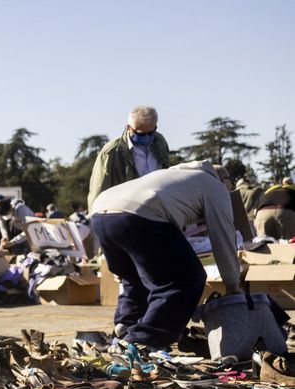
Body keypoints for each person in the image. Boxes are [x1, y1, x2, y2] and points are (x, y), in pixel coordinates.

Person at [90, 162, 243, 348]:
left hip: (101, 213)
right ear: (223, 179)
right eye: (231, 186)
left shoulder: (172, 176)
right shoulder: (214, 185)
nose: (231, 191)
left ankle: (124, 330)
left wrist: (120, 261)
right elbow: (223, 235)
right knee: (185, 279)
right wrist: (232, 283)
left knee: (135, 279)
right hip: (140, 214)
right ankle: (143, 340)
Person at [88, 105, 171, 208]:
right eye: (141, 134)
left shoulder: (160, 141)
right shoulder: (112, 151)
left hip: (158, 207)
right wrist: (94, 215)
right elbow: (99, 187)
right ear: (128, 127)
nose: (146, 137)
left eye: (150, 132)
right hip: (127, 209)